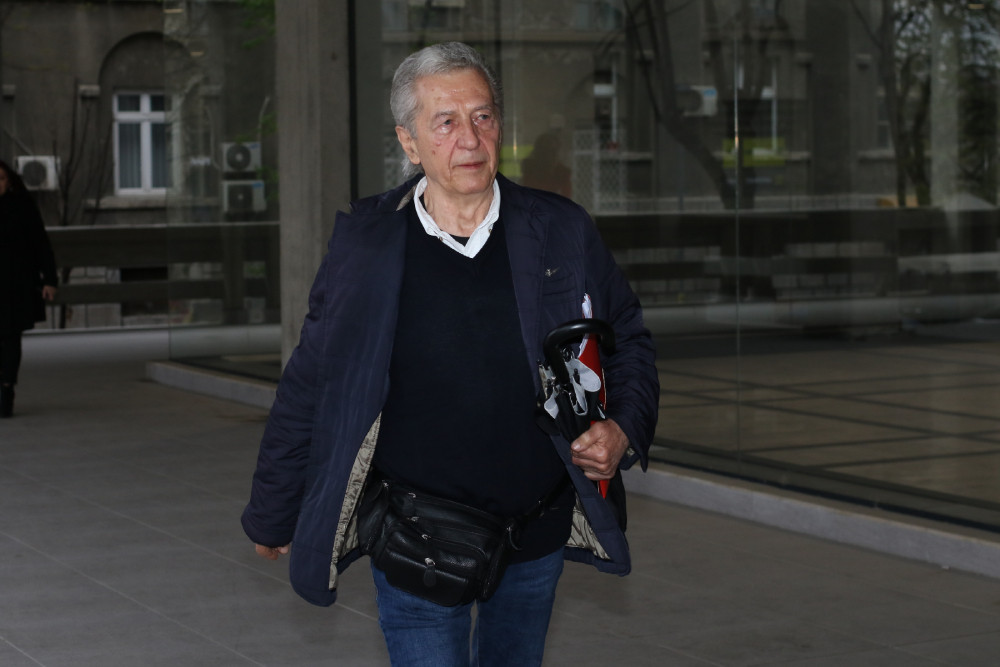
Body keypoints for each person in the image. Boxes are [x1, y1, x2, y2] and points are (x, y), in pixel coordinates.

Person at [242, 42, 658, 666]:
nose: (470, 138)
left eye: (483, 116)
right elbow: (312, 380)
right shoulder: (368, 245)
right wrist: (274, 511)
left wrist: (622, 426)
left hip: (535, 530)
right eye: (445, 122)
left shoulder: (560, 230)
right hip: (417, 538)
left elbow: (627, 336)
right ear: (408, 142)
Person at [0, 159, 57, 418]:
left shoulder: (22, 206)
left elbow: (40, 243)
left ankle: (6, 388)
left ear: (10, 181)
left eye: (1, 179)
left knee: (11, 337)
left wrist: (49, 279)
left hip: (16, 283)